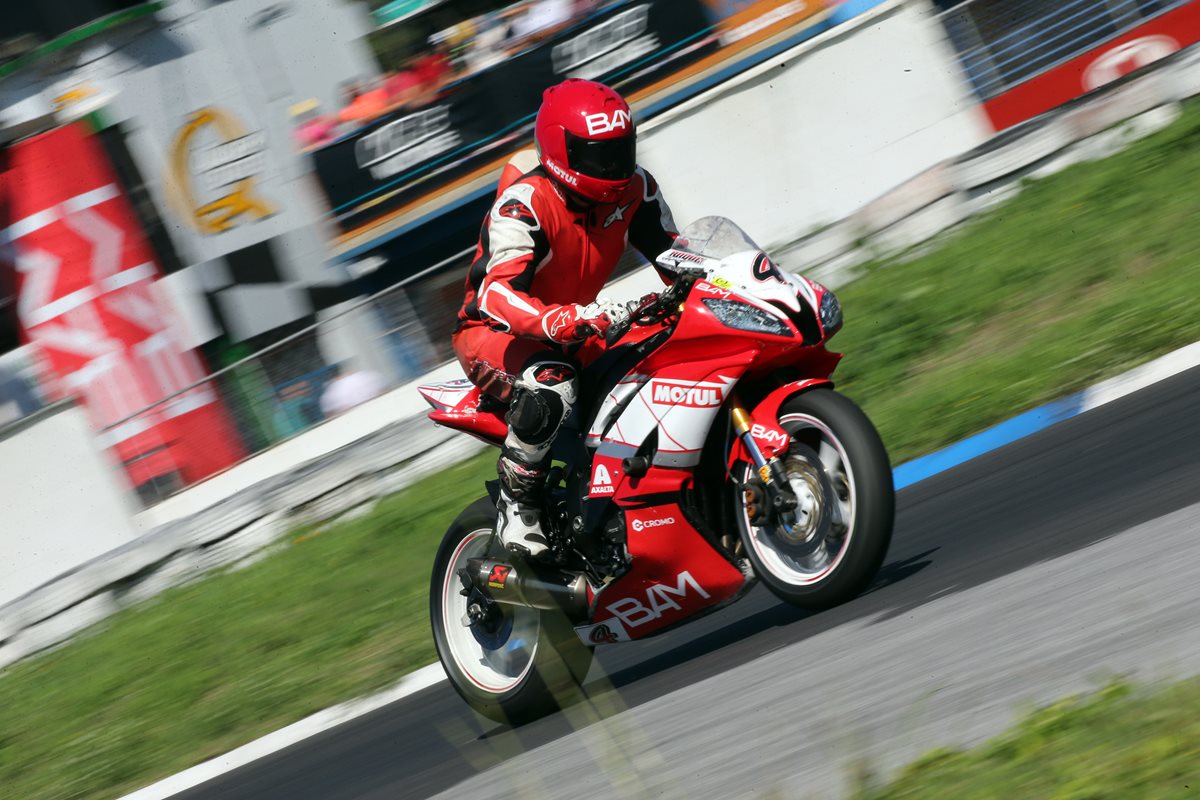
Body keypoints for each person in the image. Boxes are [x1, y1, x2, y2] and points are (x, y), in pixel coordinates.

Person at [453, 78, 678, 558]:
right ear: (562, 152)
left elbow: (677, 257)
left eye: (621, 150)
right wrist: (557, 322)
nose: (615, 167)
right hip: (493, 336)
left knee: (657, 354)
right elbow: (495, 294)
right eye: (600, 156)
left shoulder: (635, 189)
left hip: (576, 331)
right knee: (552, 381)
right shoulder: (524, 202)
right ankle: (518, 502)